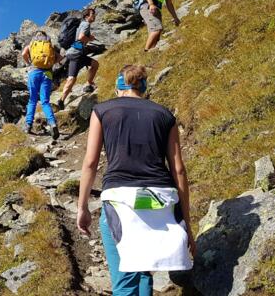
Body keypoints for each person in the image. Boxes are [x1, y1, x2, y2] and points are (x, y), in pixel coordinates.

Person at [76, 65, 194, 295]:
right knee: (143, 273)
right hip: (159, 201)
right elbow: (178, 170)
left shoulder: (103, 110)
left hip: (121, 200)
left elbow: (90, 163)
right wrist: (187, 224)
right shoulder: (164, 115)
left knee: (125, 281)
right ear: (144, 86)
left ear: (119, 87)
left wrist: (82, 207)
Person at [21, 31, 61, 139]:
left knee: (32, 100)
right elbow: (60, 57)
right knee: (45, 101)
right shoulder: (50, 46)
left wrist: (28, 62)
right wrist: (51, 64)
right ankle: (52, 123)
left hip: (34, 72)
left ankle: (28, 125)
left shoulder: (32, 44)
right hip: (47, 73)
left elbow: (23, 53)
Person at [57, 8, 99, 110]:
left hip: (73, 53)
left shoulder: (80, 24)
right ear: (86, 16)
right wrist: (90, 39)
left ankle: (62, 100)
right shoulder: (86, 24)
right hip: (77, 54)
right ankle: (88, 84)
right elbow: (81, 37)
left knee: (94, 64)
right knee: (72, 78)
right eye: (92, 14)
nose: (94, 15)